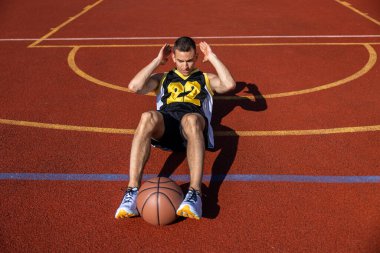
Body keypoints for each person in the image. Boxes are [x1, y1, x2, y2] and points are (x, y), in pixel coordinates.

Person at [115, 36, 236, 220]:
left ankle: (194, 194)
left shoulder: (205, 78)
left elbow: (229, 84)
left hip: (193, 127)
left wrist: (212, 56)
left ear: (196, 57)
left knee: (191, 119)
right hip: (168, 126)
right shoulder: (163, 78)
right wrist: (157, 61)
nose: (185, 66)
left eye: (189, 61)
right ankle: (132, 191)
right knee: (147, 116)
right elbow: (134, 86)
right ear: (173, 58)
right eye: (180, 61)